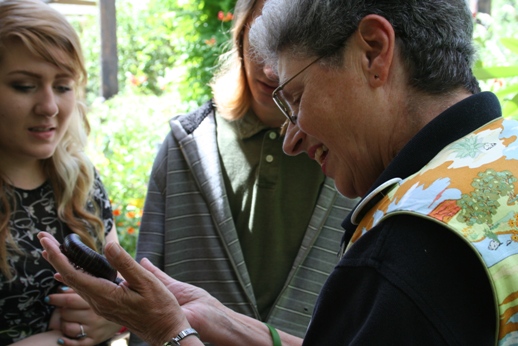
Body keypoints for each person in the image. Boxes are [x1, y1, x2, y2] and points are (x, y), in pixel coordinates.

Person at [38, 0, 518, 344]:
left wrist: (170, 332)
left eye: (297, 96)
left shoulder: (409, 248)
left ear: (374, 51)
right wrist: (227, 323)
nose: (291, 138)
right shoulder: (500, 157)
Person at [129, 0, 357, 344]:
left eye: (290, 47)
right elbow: (145, 297)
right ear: (239, 34)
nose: (269, 71)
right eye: (260, 41)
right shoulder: (186, 144)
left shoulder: (353, 159)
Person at [0, 0, 124, 344]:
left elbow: (121, 293)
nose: (49, 107)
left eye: (63, 86)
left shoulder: (81, 180)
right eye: (24, 86)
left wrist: (112, 319)